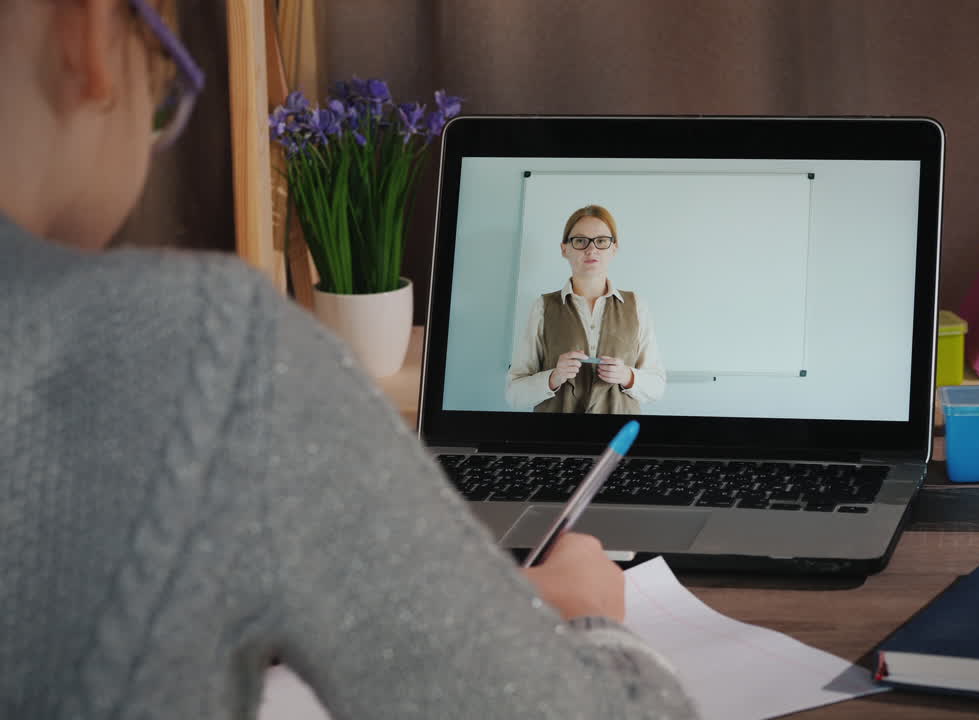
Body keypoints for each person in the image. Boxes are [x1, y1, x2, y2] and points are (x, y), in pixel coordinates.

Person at [0, 1, 696, 718]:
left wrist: (633, 377)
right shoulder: (212, 348)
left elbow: (660, 379)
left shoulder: (636, 309)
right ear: (87, 31)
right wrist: (590, 619)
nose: (590, 251)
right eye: (163, 76)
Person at [507, 205, 667, 413]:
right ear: (565, 249)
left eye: (601, 241)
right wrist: (553, 378)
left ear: (614, 248)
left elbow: (657, 387)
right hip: (555, 439)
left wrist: (627, 376)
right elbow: (514, 394)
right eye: (580, 241)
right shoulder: (543, 307)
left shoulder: (637, 305)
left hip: (616, 440)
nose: (591, 250)